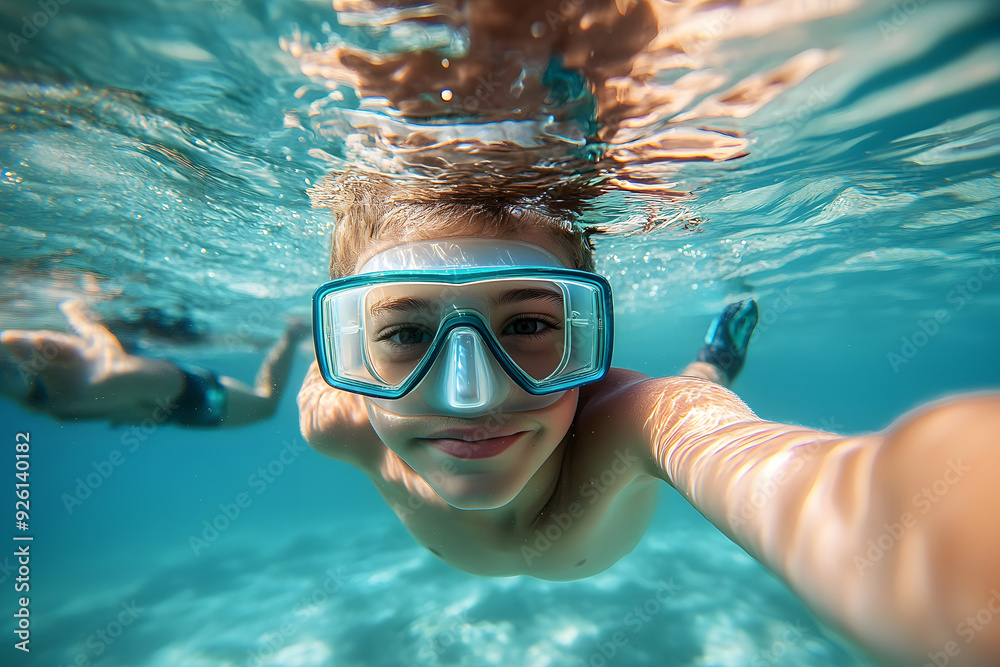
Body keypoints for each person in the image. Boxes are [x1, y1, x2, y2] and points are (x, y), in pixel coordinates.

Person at [297, 173, 1000, 665]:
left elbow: (825, 485)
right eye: (406, 335)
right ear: (351, 354)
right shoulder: (338, 418)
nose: (470, 395)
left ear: (585, 334)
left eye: (530, 323)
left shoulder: (634, 420)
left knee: (695, 386)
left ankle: (716, 352)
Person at [0, 300, 309, 427]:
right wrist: (77, 315)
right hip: (199, 399)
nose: (44, 335)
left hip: (172, 397)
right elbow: (102, 343)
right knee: (266, 406)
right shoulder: (99, 373)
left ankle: (133, 411)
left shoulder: (55, 397)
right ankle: (293, 335)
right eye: (42, 341)